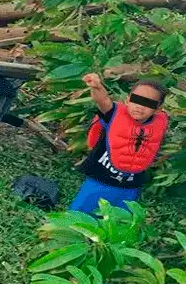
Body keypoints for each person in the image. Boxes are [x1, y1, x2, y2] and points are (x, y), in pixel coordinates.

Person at [68, 73, 170, 215]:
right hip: (100, 179)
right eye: (137, 100)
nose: (140, 107)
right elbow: (102, 100)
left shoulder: (160, 123)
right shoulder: (114, 114)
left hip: (130, 185)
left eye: (148, 104)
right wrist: (97, 86)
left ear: (158, 109)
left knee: (119, 222)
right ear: (128, 100)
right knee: (80, 216)